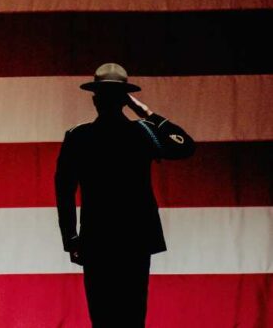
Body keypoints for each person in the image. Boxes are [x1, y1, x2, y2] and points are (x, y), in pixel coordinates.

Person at [55, 63, 195, 327]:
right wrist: (146, 112)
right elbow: (184, 145)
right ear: (124, 99)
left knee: (103, 312)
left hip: (97, 237)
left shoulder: (79, 136)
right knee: (132, 312)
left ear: (94, 100)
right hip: (136, 237)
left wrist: (71, 238)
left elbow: (64, 190)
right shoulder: (143, 133)